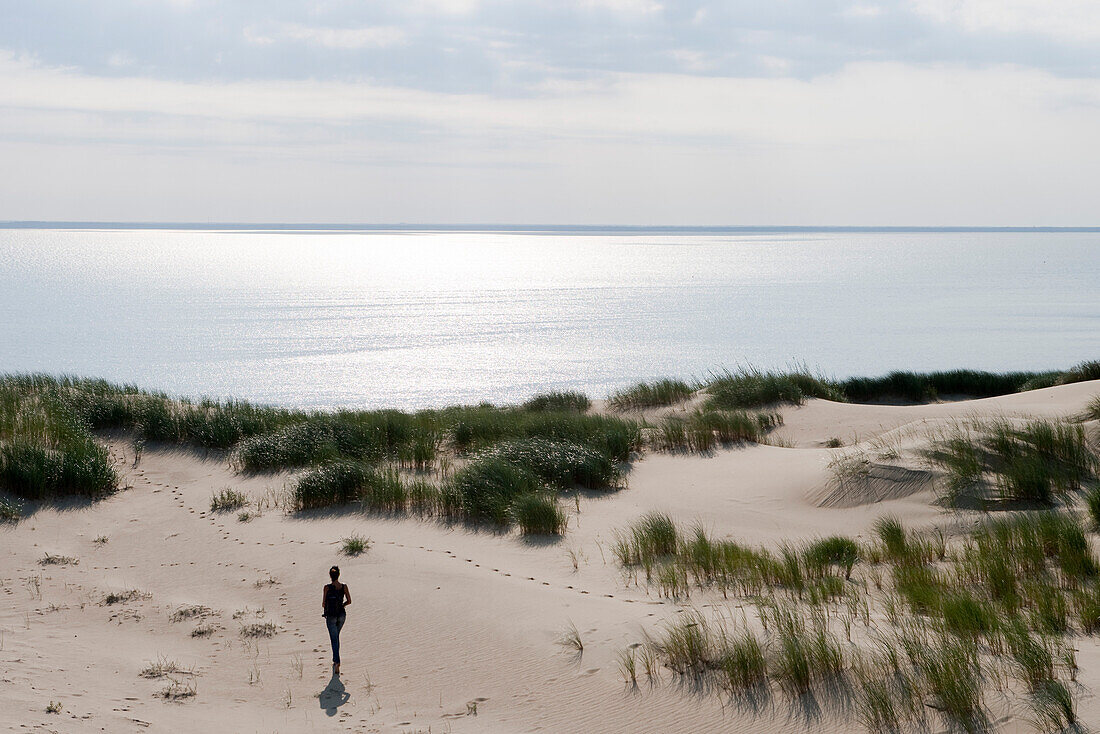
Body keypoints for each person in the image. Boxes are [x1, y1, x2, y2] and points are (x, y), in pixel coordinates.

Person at [322, 566, 351, 674]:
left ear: (330, 576)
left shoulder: (327, 587)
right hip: (342, 615)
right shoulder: (344, 587)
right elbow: (349, 601)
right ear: (339, 575)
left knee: (334, 639)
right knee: (336, 637)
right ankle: (335, 661)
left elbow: (323, 603)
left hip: (331, 616)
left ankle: (336, 661)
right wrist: (342, 605)